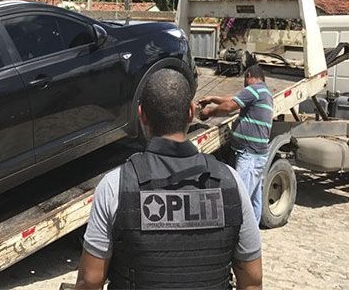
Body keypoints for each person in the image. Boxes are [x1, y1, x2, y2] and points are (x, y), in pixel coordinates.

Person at [75, 69, 262, 290]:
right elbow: (252, 280)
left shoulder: (115, 185)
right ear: (191, 112)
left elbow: (90, 281)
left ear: (142, 115)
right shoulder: (231, 182)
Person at [199, 65, 273, 224]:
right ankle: (253, 235)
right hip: (256, 155)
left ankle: (240, 236)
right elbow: (232, 99)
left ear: (249, 75)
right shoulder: (263, 92)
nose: (244, 84)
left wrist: (208, 112)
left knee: (240, 199)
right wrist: (212, 98)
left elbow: (229, 106)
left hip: (249, 155)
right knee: (254, 199)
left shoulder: (254, 89)